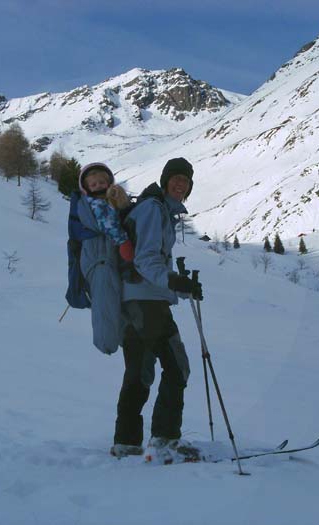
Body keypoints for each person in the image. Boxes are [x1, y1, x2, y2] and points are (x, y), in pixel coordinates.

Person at [110, 157, 203, 460]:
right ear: (165, 181)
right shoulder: (153, 210)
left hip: (133, 301)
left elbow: (151, 261)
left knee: (139, 372)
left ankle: (126, 443)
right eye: (175, 178)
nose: (180, 184)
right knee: (177, 367)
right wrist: (174, 281)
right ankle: (164, 441)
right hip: (146, 303)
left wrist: (181, 287)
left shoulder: (156, 210)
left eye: (185, 181)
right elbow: (146, 260)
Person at [75, 162, 134, 355]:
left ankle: (125, 338)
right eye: (94, 184)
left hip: (102, 258)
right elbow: (111, 226)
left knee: (114, 297)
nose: (99, 186)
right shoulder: (97, 204)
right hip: (99, 258)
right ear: (86, 189)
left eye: (102, 182)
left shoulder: (106, 201)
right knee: (105, 300)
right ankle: (106, 342)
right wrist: (123, 243)